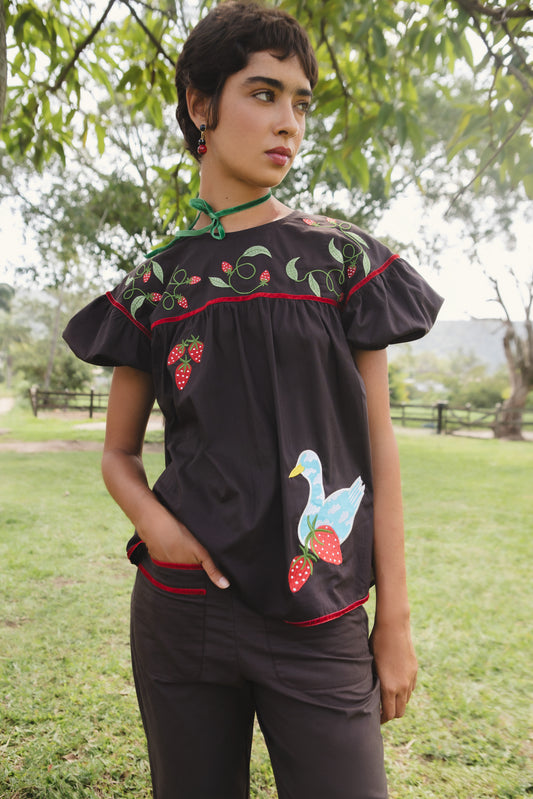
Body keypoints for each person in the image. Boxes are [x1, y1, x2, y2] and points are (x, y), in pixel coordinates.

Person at [63, 3, 443, 797]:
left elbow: (377, 447)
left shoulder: (341, 259)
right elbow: (118, 452)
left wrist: (395, 621)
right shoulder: (158, 282)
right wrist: (159, 530)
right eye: (264, 94)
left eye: (299, 102)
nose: (288, 123)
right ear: (200, 105)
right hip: (183, 611)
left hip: (320, 614)